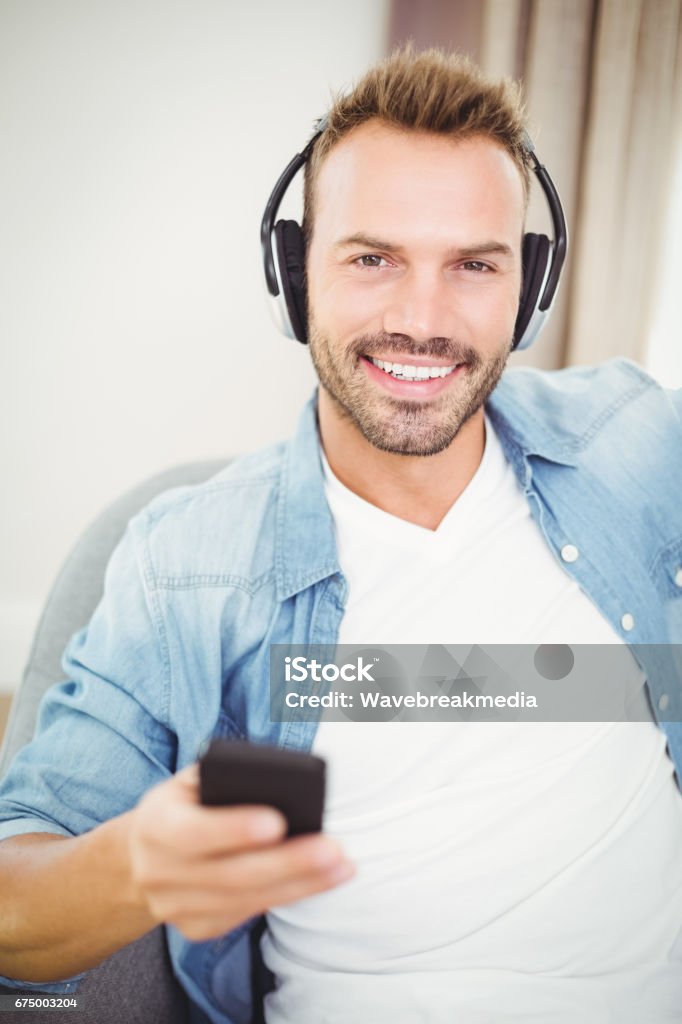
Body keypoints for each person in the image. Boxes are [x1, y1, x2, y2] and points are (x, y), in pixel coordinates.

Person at [1, 46, 681, 1024]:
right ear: (295, 273)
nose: (421, 317)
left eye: (472, 266)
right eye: (371, 258)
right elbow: (13, 904)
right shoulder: (186, 561)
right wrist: (129, 864)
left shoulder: (634, 443)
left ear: (528, 288)